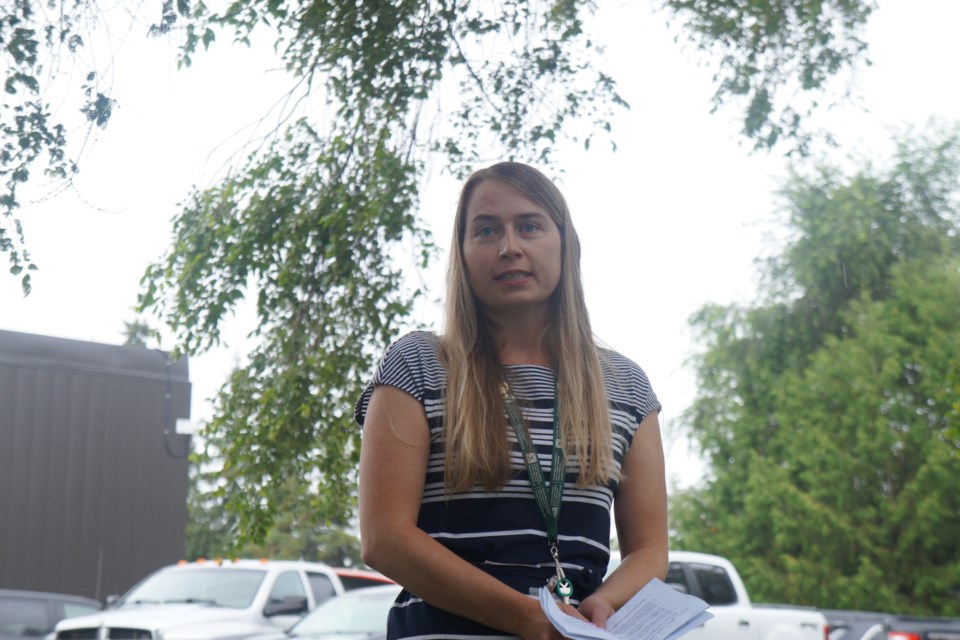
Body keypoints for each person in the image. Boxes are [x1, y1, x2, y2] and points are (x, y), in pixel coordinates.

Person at [355, 161, 667, 640]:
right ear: (462, 253)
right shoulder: (416, 365)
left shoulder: (626, 386)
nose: (509, 247)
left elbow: (650, 553)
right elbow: (384, 540)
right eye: (486, 230)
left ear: (565, 244)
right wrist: (526, 619)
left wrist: (601, 605)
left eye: (529, 226)